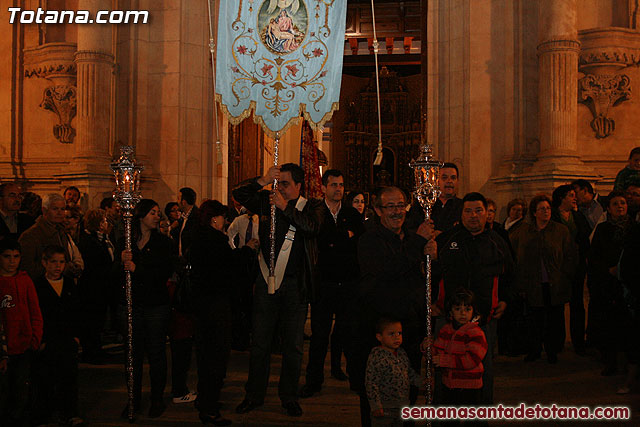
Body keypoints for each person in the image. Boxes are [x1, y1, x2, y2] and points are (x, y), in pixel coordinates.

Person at [233, 163, 324, 417]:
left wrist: (285, 208)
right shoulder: (266, 200)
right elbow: (238, 194)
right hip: (266, 281)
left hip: (295, 284)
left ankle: (289, 396)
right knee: (260, 343)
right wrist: (261, 180)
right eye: (277, 182)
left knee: (293, 346)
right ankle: (254, 395)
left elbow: (312, 228)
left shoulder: (312, 206)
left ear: (298, 185)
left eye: (284, 183)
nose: (279, 188)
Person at [354, 186, 436, 426]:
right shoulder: (369, 240)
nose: (397, 211)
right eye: (391, 206)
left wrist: (433, 255)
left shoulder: (412, 237)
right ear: (378, 210)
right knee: (378, 397)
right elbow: (388, 270)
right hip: (380, 331)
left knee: (407, 392)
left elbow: (422, 279)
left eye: (401, 205)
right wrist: (419, 242)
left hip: (410, 329)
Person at [433, 192, 513, 405]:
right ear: (461, 214)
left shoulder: (498, 241)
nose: (473, 215)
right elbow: (433, 273)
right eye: (468, 211)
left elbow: (510, 274)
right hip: (448, 321)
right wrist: (433, 302)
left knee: (482, 372)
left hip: (483, 321)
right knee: (445, 372)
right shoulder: (445, 240)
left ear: (487, 214)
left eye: (478, 210)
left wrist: (505, 299)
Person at [190, 200, 258, 425]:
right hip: (216, 305)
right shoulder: (216, 240)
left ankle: (205, 399)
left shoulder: (197, 238)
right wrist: (247, 250)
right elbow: (230, 267)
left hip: (201, 306)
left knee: (204, 355)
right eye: (222, 217)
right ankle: (209, 407)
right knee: (216, 357)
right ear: (214, 219)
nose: (226, 221)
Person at [300, 170, 364, 397]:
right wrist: (342, 237)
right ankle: (313, 382)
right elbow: (319, 239)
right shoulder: (316, 212)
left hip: (348, 282)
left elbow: (358, 240)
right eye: (334, 185)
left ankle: (355, 379)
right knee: (319, 336)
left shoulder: (352, 214)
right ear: (324, 187)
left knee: (350, 334)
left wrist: (335, 239)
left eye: (342, 185)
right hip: (324, 282)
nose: (339, 189)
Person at [119, 199, 175, 419]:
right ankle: (133, 398)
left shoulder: (163, 243)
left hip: (155, 305)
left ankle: (157, 399)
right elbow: (115, 274)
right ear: (141, 216)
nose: (157, 216)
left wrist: (137, 268)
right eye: (152, 212)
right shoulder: (127, 241)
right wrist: (121, 261)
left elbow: (162, 273)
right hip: (132, 305)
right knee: (132, 355)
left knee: (156, 353)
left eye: (158, 213)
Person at [510, 195, 575, 364]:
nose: (546, 211)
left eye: (548, 208)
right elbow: (516, 256)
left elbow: (569, 255)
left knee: (554, 319)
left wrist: (565, 275)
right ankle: (534, 349)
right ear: (534, 212)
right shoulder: (524, 232)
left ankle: (552, 350)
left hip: (555, 283)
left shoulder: (560, 231)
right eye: (542, 209)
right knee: (535, 319)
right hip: (533, 284)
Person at [31, 245, 84, 426]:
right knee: (45, 378)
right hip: (48, 340)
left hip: (67, 339)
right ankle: (43, 414)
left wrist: (76, 336)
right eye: (53, 262)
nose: (58, 266)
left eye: (61, 262)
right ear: (45, 263)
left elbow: (76, 311)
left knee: (68, 378)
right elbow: (36, 314)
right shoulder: (38, 286)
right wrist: (41, 339)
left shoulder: (69, 284)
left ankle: (69, 412)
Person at [587, 191, 633, 376]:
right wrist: (609, 269)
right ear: (609, 208)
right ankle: (611, 361)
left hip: (630, 283)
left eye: (623, 203)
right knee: (610, 324)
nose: (620, 206)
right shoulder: (603, 229)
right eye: (615, 204)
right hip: (609, 283)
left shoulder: (634, 228)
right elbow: (595, 255)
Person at [0, 239, 43, 426]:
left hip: (23, 346)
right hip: (4, 347)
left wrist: (34, 338)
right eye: (7, 257)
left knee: (21, 390)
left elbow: (35, 311)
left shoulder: (25, 281)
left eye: (16, 257)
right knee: (4, 392)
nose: (12, 261)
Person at [431, 288, 487, 407]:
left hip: (470, 386)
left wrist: (445, 361)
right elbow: (437, 353)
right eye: (458, 309)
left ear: (473, 311)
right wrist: (428, 348)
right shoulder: (446, 330)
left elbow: (471, 360)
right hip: (449, 385)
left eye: (467, 309)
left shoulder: (475, 333)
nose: (463, 313)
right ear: (450, 311)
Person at [551, 185, 590, 355]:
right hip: (558, 267)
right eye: (571, 195)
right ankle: (557, 342)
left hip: (577, 265)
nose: (575, 198)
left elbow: (585, 238)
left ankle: (578, 341)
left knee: (577, 304)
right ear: (561, 198)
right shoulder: (553, 216)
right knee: (557, 305)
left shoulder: (578, 216)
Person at [365, 317, 422, 427]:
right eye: (391, 334)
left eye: (399, 333)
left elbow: (409, 373)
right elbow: (371, 383)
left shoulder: (401, 353)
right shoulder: (377, 357)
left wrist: (422, 382)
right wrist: (376, 406)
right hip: (385, 407)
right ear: (379, 337)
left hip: (401, 405)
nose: (397, 337)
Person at [77, 209, 114, 364]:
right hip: (92, 287)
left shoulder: (102, 239)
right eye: (105, 220)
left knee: (98, 320)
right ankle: (90, 351)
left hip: (101, 286)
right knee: (91, 320)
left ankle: (97, 349)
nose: (107, 224)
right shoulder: (88, 241)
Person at [19, 193, 82, 281]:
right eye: (55, 209)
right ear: (44, 210)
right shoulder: (31, 235)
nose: (60, 213)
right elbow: (26, 268)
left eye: (62, 209)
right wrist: (60, 268)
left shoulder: (61, 231)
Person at [432, 162, 463, 236]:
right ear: (437, 181)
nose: (449, 181)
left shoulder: (463, 206)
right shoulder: (425, 203)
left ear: (457, 181)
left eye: (453, 178)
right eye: (444, 178)